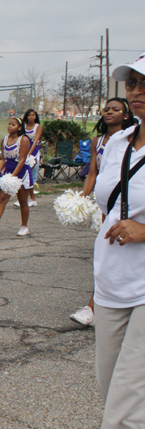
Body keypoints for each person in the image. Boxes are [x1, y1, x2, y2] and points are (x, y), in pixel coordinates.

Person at [84, 52, 145, 429]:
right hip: (111, 282)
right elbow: (109, 203)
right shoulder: (118, 142)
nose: (137, 92)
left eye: (144, 84)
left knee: (126, 402)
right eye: (132, 83)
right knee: (113, 393)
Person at [70, 98, 137, 327]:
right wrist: (80, 199)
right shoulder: (98, 140)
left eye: (115, 109)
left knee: (114, 256)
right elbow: (92, 174)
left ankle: (93, 307)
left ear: (126, 115)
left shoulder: (131, 140)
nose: (109, 112)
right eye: (106, 109)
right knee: (106, 255)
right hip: (106, 207)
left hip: (128, 205)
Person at [0, 117, 32, 237]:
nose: (9, 126)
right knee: (1, 199)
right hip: (8, 172)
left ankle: (24, 226)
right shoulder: (4, 140)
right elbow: (4, 159)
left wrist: (13, 177)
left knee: (23, 201)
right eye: (9, 124)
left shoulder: (23, 140)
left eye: (13, 124)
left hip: (22, 173)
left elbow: (22, 160)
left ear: (19, 127)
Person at [14, 109, 42, 208]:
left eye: (33, 115)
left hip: (33, 153)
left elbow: (35, 141)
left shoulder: (38, 127)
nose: (31, 117)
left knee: (27, 174)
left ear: (35, 117)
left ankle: (27, 199)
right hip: (24, 152)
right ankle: (29, 199)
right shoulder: (24, 127)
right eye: (29, 115)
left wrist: (30, 154)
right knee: (25, 176)